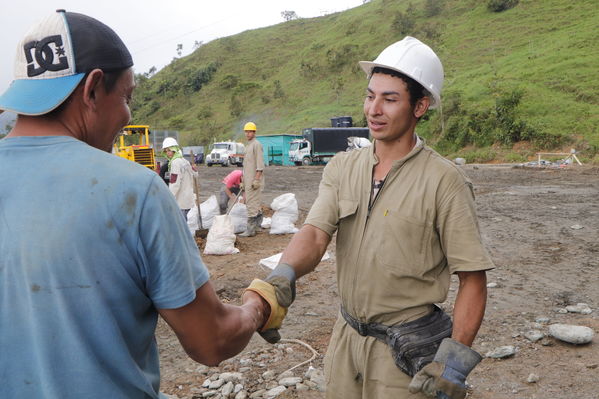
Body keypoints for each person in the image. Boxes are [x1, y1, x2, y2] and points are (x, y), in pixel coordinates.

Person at [0, 10, 279, 398]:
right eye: (127, 97)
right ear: (93, 89)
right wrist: (256, 308)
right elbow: (211, 341)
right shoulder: (135, 191)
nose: (127, 115)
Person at [244, 37, 495, 399]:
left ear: (420, 106)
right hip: (346, 340)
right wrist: (282, 276)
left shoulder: (445, 181)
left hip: (405, 353)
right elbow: (315, 234)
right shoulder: (343, 167)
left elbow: (472, 278)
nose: (374, 109)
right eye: (370, 95)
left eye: (390, 99)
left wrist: (453, 364)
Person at [240, 121, 265, 236]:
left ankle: (250, 230)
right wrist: (243, 181)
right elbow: (246, 166)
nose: (248, 134)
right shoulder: (247, 146)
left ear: (254, 132)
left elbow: (260, 164)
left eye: (250, 131)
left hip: (254, 180)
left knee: (251, 203)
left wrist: (256, 179)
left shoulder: (256, 145)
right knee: (255, 203)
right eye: (246, 131)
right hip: (248, 179)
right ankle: (258, 226)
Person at [162, 136, 196, 220]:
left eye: (169, 150)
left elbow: (174, 182)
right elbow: (195, 174)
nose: (167, 153)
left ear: (174, 149)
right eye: (166, 151)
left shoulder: (175, 163)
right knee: (184, 222)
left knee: (181, 222)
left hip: (181, 199)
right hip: (187, 197)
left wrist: (170, 196)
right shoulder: (185, 161)